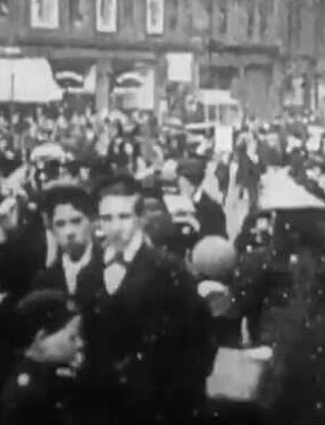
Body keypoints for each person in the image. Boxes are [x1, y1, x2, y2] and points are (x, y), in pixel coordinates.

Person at [83, 171, 216, 425]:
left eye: (124, 217)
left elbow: (199, 339)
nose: (116, 227)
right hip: (105, 406)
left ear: (140, 219)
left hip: (159, 404)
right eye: (107, 218)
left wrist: (181, 397)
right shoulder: (91, 272)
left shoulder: (168, 269)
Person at [0, 289, 84, 425]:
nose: (80, 344)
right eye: (72, 337)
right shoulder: (26, 395)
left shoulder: (57, 376)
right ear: (41, 339)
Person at [33, 182, 103, 310]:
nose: (69, 232)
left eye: (76, 221)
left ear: (93, 221)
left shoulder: (110, 268)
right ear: (52, 229)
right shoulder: (44, 281)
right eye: (60, 224)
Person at [177, 157, 227, 239]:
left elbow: (220, 242)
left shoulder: (213, 209)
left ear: (189, 183)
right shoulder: (182, 205)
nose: (179, 185)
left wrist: (196, 227)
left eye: (181, 180)